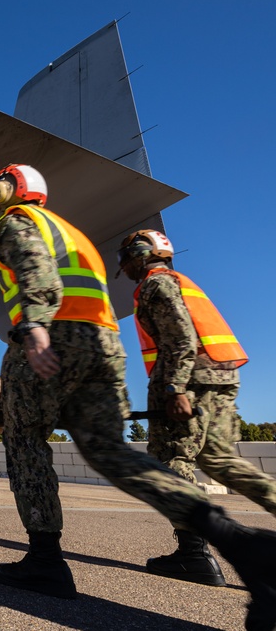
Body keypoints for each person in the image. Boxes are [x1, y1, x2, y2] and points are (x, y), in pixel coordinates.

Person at [0, 163, 275, 627]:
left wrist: (36, 325)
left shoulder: (16, 221)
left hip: (52, 339)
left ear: (6, 190)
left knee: (25, 440)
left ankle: (45, 561)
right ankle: (240, 542)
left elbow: (36, 270)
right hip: (104, 346)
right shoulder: (72, 232)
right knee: (109, 451)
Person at [118, 229, 276, 586]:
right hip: (220, 374)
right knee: (219, 459)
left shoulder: (156, 285)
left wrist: (175, 387)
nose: (124, 267)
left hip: (187, 381)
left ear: (142, 254)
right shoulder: (180, 281)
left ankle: (194, 554)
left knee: (173, 459)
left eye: (126, 259)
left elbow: (180, 338)